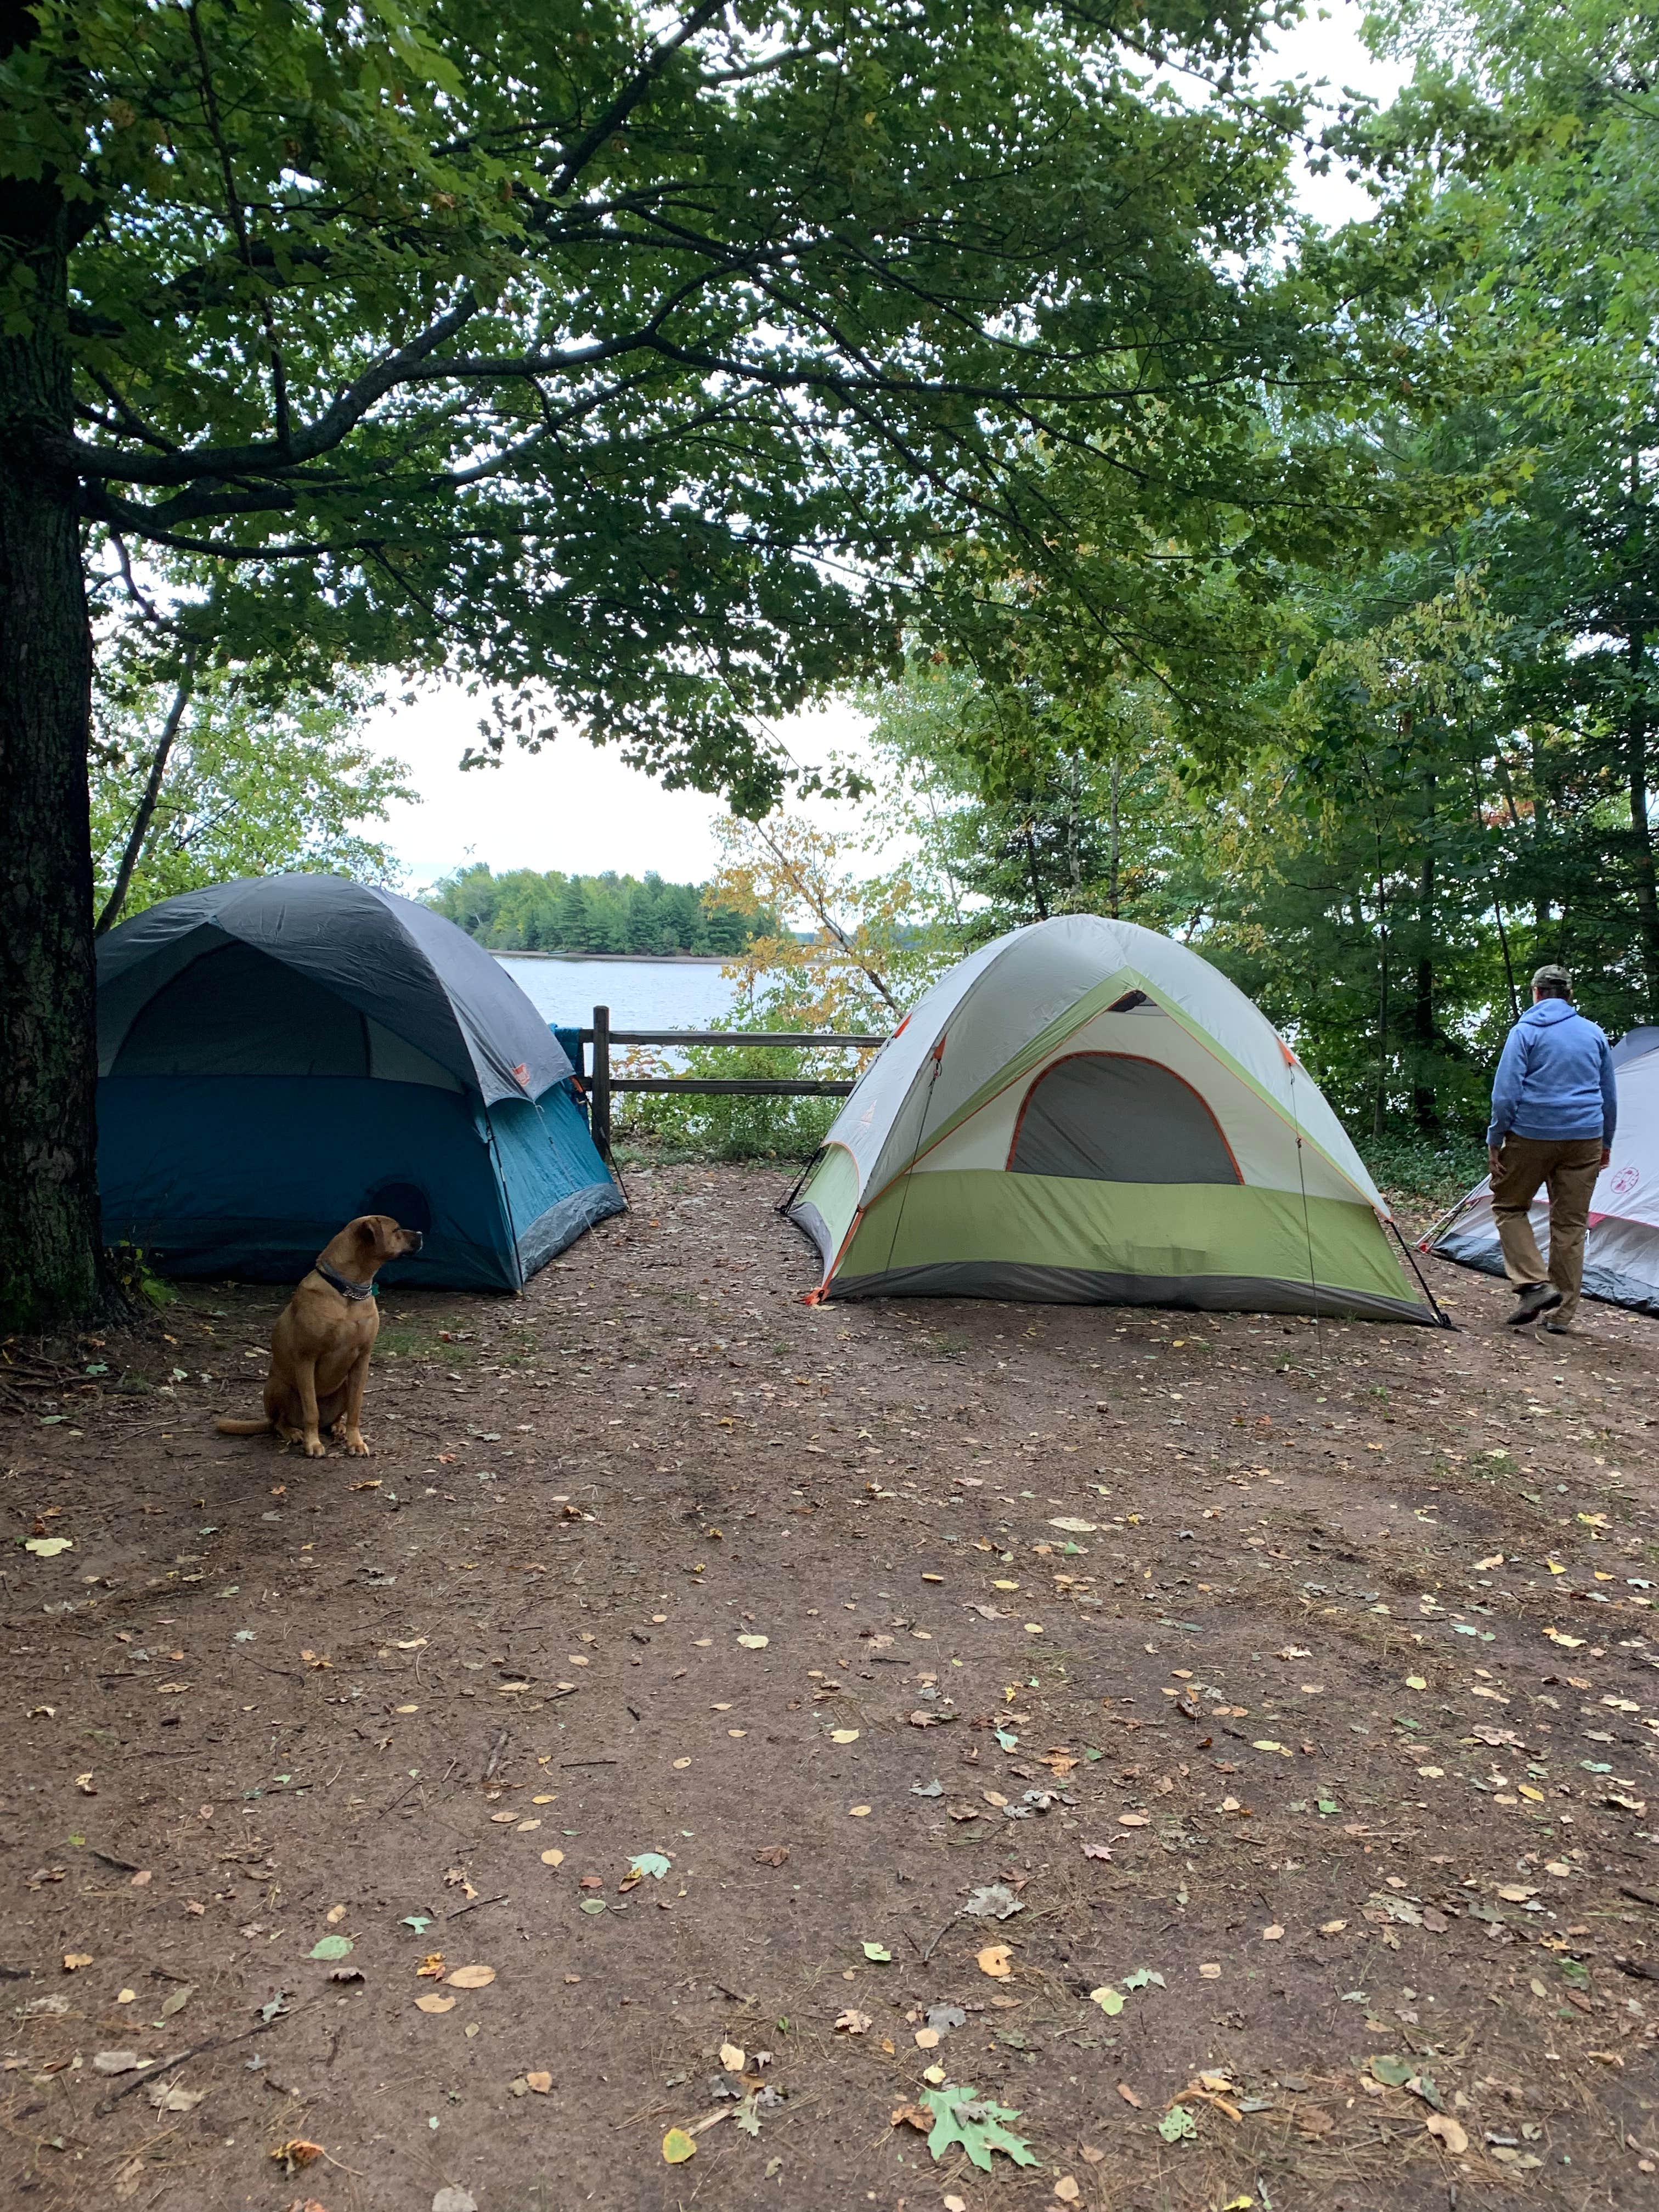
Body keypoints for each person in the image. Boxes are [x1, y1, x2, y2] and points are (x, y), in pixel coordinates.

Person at [1486, 964, 1616, 1331]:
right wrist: (1606, 1142)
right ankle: (1562, 1315)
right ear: (1568, 995)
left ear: (1537, 993)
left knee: (1509, 1206)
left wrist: (1496, 1140)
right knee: (1571, 1224)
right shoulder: (1594, 1034)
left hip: (1532, 1136)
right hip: (1586, 1138)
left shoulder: (1524, 1032)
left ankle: (1533, 1284)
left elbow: (1506, 1094)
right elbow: (1609, 1095)